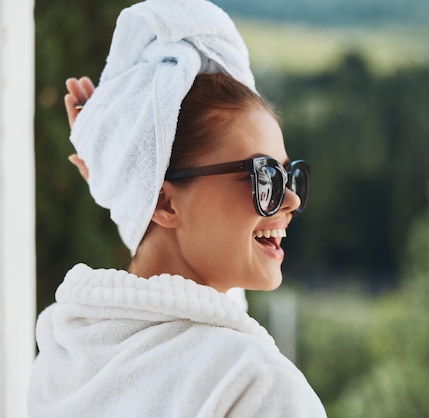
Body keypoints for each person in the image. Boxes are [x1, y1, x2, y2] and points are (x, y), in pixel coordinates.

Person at [28, 1, 326, 417]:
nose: (290, 201)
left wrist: (128, 182)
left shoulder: (63, 357)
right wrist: (131, 183)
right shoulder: (256, 386)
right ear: (165, 201)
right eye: (263, 178)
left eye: (286, 177)